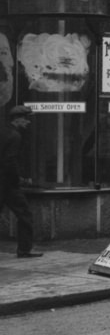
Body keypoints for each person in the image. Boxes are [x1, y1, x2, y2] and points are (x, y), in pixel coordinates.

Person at [0, 106, 41, 258]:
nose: (28, 122)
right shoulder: (15, 136)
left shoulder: (3, 132)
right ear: (17, 119)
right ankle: (24, 249)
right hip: (8, 184)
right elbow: (10, 161)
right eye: (25, 118)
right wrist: (18, 179)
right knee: (24, 215)